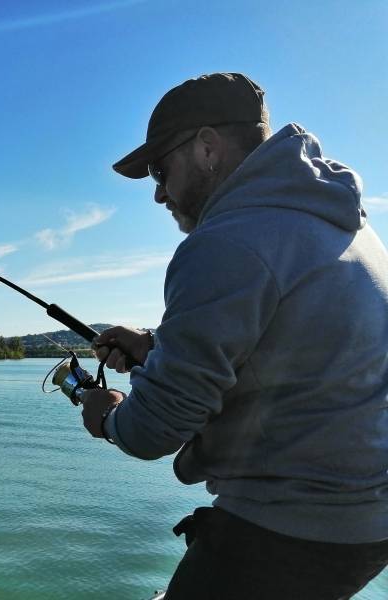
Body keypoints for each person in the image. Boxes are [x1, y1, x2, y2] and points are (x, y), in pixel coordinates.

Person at [80, 72, 388, 599]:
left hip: (291, 529)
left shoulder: (227, 242)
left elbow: (156, 428)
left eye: (160, 168)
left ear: (206, 148)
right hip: (365, 520)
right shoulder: (340, 219)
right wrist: (158, 347)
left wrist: (106, 416)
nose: (157, 193)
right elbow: (293, 346)